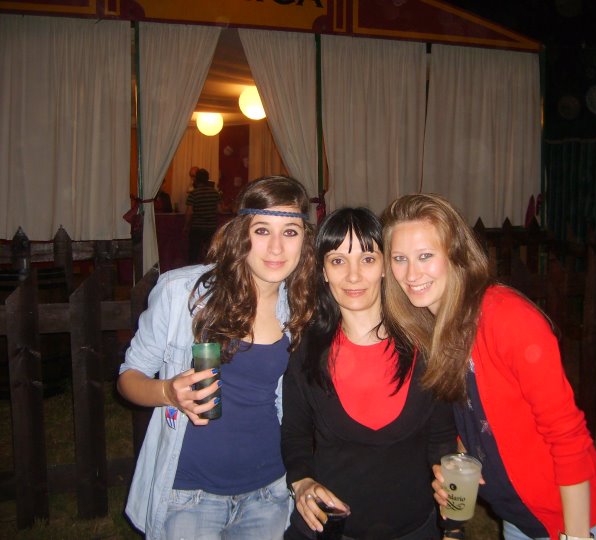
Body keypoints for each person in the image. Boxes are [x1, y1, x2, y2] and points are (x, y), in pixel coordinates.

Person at [381, 194, 596, 540]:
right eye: (399, 258)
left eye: (425, 256)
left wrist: (577, 534)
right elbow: (476, 414)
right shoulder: (434, 332)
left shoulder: (505, 317)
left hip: (574, 522)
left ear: (456, 255)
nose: (411, 273)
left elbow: (568, 436)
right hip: (519, 520)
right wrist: (458, 461)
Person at [118, 176, 316, 540]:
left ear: (304, 240)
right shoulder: (183, 293)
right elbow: (129, 377)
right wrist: (167, 392)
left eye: (290, 232)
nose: (276, 247)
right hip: (188, 495)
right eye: (262, 230)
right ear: (241, 233)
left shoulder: (302, 308)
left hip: (270, 492)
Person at [282, 207, 457, 540]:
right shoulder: (306, 351)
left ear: (385, 267)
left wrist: (453, 526)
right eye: (337, 261)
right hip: (329, 530)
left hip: (414, 530)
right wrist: (302, 482)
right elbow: (295, 435)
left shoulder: (426, 347)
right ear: (323, 271)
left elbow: (442, 440)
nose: (353, 276)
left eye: (367, 259)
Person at [185, 167, 222, 264]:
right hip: (211, 227)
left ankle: (192, 269)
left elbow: (189, 212)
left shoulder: (194, 193)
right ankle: (210, 270)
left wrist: (186, 226)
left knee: (193, 253)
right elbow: (219, 210)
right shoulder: (215, 193)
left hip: (197, 227)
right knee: (210, 253)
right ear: (207, 179)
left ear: (197, 179)